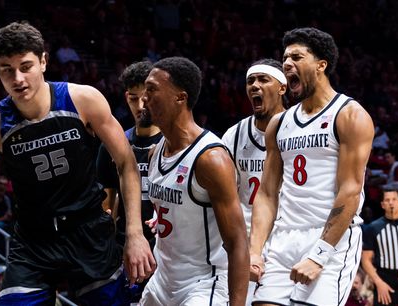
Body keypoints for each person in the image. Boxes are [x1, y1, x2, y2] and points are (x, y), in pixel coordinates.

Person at [0, 21, 155, 305]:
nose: (18, 78)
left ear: (43, 61)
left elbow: (126, 164)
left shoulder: (83, 100)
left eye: (25, 66)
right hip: (33, 241)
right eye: (7, 70)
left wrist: (134, 234)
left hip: (89, 232)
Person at [249, 27, 374, 306]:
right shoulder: (279, 124)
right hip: (283, 238)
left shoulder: (350, 115)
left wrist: (319, 254)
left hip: (331, 239)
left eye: (297, 56)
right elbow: (267, 193)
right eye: (284, 58)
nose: (287, 64)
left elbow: (351, 190)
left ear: (321, 65)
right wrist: (255, 251)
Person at [139, 57, 249, 305]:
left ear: (180, 97)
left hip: (202, 285)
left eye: (152, 89)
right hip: (162, 281)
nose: (143, 98)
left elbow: (237, 241)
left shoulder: (211, 159)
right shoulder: (155, 152)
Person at [221, 58, 286, 305]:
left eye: (263, 79)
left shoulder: (298, 131)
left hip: (284, 235)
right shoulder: (234, 135)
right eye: (250, 81)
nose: (255, 86)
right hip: (246, 238)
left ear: (282, 87)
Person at [96, 60, 162, 248]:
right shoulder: (113, 145)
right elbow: (106, 201)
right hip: (126, 244)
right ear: (126, 97)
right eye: (134, 98)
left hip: (168, 244)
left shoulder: (175, 144)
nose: (141, 106)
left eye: (146, 98)